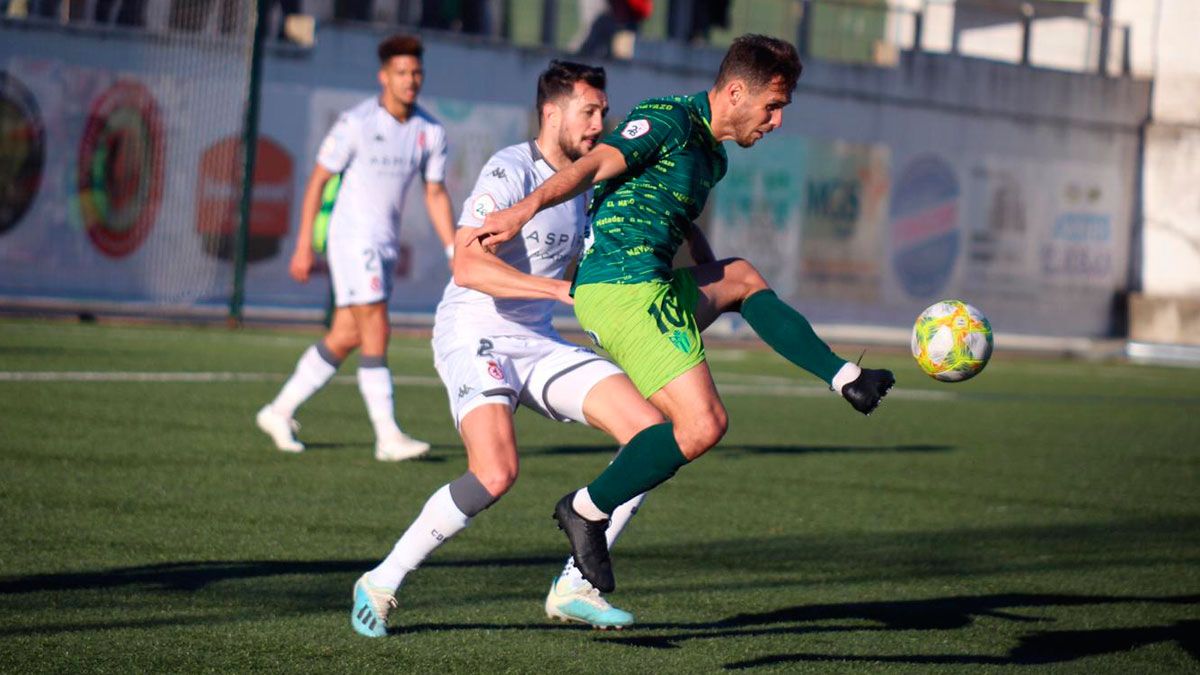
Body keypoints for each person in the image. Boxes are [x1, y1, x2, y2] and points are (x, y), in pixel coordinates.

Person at [476, 34, 895, 593]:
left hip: (648, 284)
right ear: (737, 92)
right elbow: (599, 163)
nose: (774, 122)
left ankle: (847, 378)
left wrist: (701, 257)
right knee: (702, 425)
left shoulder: (712, 153)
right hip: (622, 288)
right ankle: (585, 510)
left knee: (740, 276)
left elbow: (665, 204)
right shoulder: (667, 119)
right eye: (772, 107)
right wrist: (524, 208)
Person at [349, 60, 665, 638]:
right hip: (475, 330)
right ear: (552, 113)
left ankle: (576, 583)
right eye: (588, 111)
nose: (600, 122)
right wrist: (555, 289)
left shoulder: (585, 185)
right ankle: (382, 579)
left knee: (655, 439)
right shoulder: (511, 170)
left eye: (603, 111)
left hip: (538, 338)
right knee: (495, 473)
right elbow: (468, 266)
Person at [256, 34, 455, 461]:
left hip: (384, 243)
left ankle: (278, 410)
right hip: (352, 239)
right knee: (376, 327)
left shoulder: (430, 131)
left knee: (346, 334)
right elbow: (317, 181)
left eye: (416, 72)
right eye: (402, 73)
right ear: (384, 76)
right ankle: (387, 436)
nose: (410, 80)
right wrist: (304, 244)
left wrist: (455, 250)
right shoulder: (356, 123)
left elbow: (435, 193)